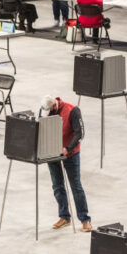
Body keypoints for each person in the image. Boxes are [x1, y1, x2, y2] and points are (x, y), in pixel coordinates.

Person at [41, 95, 92, 232]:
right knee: (57, 186)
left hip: (70, 153)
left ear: (55, 105)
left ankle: (85, 219)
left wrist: (67, 148)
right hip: (52, 153)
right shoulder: (47, 111)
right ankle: (64, 217)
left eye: (51, 110)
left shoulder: (72, 110)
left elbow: (80, 133)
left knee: (75, 186)